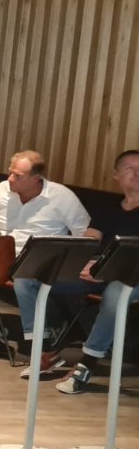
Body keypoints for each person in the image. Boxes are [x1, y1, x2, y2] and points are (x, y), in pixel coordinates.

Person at [0, 150, 91, 373]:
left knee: (24, 278)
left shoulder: (61, 197)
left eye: (17, 176)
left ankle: (40, 348)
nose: (10, 179)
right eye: (10, 173)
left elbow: (86, 236)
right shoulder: (0, 191)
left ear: (36, 178)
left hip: (41, 262)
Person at [48, 150, 139, 394]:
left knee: (117, 294)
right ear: (116, 175)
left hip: (132, 276)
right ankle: (44, 345)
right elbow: (91, 240)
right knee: (42, 279)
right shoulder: (108, 207)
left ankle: (87, 364)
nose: (137, 173)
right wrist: (86, 262)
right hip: (102, 271)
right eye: (130, 168)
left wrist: (106, 270)